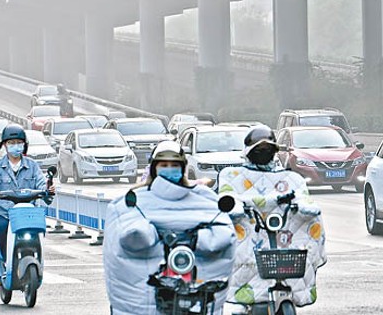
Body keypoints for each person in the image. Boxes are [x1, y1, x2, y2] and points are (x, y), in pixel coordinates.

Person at [104, 140, 236, 315]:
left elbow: (224, 229)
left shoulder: (204, 198)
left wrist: (203, 239)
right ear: (153, 168)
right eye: (164, 165)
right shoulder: (134, 199)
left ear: (183, 168)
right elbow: (124, 231)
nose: (169, 169)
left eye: (174, 165)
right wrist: (142, 236)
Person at [218, 125, 327, 313]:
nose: (263, 153)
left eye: (267, 150)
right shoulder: (232, 176)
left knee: (313, 223)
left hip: (282, 237)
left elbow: (302, 197)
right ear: (248, 152)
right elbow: (226, 198)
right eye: (258, 150)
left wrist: (306, 207)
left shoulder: (292, 178)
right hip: (249, 236)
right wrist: (233, 206)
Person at [0, 124, 55, 285]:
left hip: (27, 215)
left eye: (19, 142)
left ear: (24, 144)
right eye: (11, 142)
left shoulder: (33, 166)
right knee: (1, 227)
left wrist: (48, 189)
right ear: (5, 145)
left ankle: (37, 260)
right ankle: (2, 263)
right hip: (3, 214)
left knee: (39, 230)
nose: (16, 146)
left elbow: (43, 185)